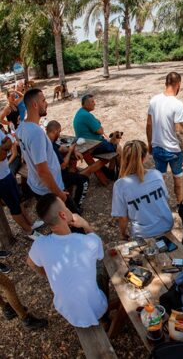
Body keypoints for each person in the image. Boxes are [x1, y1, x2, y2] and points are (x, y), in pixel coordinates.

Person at [27, 194, 108, 328]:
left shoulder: (40, 244)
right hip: (96, 308)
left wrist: (47, 274)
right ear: (63, 215)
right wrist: (86, 225)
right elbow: (101, 251)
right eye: (65, 207)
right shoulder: (87, 241)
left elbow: (30, 263)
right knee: (101, 268)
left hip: (67, 310)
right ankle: (105, 319)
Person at [16, 88, 79, 213]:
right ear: (35, 105)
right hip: (50, 190)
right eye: (43, 100)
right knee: (73, 222)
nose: (47, 103)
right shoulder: (36, 133)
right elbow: (43, 171)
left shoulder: (21, 127)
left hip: (37, 186)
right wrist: (59, 193)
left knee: (58, 224)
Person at [111, 140, 173, 240]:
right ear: (144, 158)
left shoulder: (120, 185)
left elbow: (122, 218)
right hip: (166, 225)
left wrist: (123, 234)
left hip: (143, 233)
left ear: (124, 159)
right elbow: (165, 199)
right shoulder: (156, 174)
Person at [146, 71, 183, 205]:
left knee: (160, 181)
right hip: (175, 151)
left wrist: (150, 143)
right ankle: (180, 205)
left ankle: (160, 206)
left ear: (166, 83)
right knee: (178, 182)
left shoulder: (153, 101)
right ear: (178, 84)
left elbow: (148, 125)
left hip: (158, 147)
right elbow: (179, 131)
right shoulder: (178, 104)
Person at [0, 126, 42, 239]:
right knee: (13, 206)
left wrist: (5, 146)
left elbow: (11, 141)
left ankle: (30, 225)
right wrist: (5, 146)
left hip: (7, 173)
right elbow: (2, 155)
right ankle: (29, 232)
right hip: (1, 179)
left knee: (19, 201)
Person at [46, 121, 90, 212]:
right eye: (59, 132)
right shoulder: (51, 146)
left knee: (74, 171)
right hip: (58, 177)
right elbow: (63, 165)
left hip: (52, 175)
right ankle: (76, 207)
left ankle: (71, 203)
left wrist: (73, 150)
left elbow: (61, 148)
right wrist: (70, 151)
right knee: (84, 180)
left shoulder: (47, 140)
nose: (59, 134)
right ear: (55, 131)